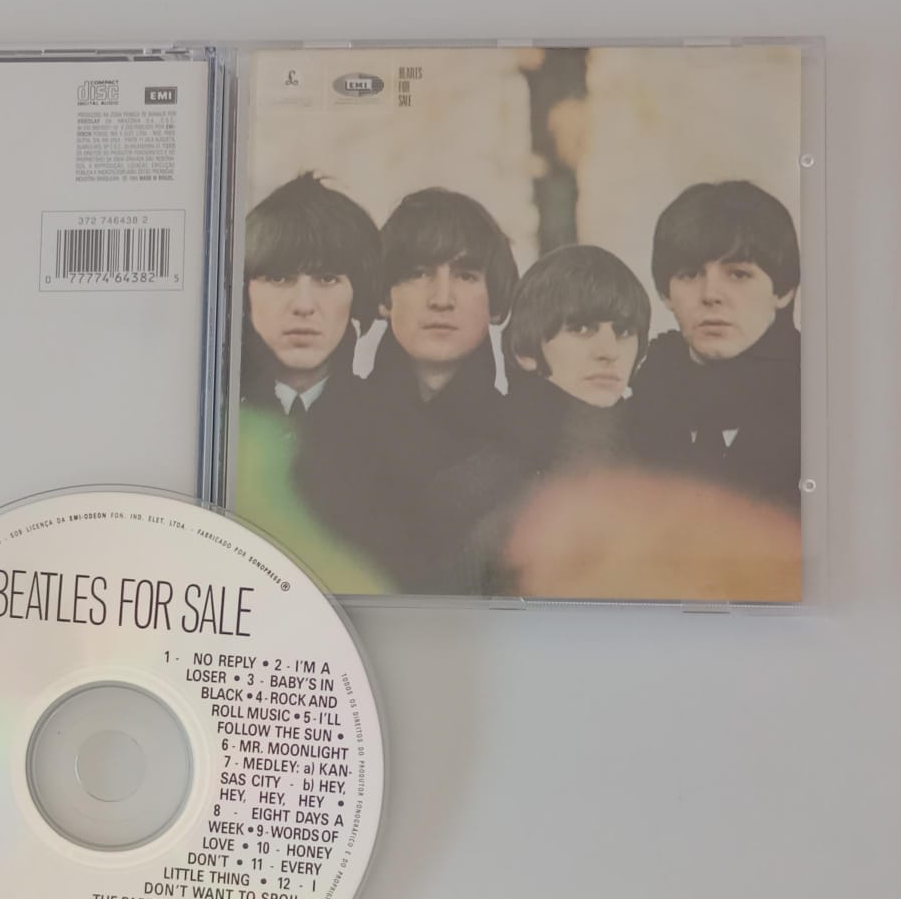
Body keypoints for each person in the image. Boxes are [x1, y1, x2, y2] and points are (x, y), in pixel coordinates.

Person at [295, 188, 518, 590]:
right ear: (385, 297)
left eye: (466, 276)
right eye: (418, 274)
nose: (442, 299)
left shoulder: (526, 441)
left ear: (495, 302)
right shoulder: (328, 430)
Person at [421, 244, 651, 593]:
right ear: (525, 351)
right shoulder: (471, 490)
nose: (609, 351)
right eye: (582, 328)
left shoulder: (659, 473)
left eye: (623, 331)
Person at [631, 180, 802, 512]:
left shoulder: (823, 400)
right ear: (666, 294)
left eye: (738, 274)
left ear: (783, 291)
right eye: (690, 274)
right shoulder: (639, 402)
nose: (710, 295)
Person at [239, 173, 380, 421]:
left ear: (357, 295)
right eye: (278, 278)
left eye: (327, 279)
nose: (303, 306)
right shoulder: (207, 407)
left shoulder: (393, 423)